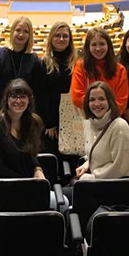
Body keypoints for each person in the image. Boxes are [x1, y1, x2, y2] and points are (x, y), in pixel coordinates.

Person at [0, 79, 46, 179]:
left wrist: (37, 169)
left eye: (22, 97)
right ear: (6, 99)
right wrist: (26, 182)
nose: (18, 101)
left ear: (29, 100)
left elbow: (32, 154)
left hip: (27, 182)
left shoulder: (34, 122)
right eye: (13, 96)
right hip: (2, 185)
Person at [35, 21, 79, 156]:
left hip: (73, 119)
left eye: (65, 36)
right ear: (51, 38)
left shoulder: (77, 62)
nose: (61, 39)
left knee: (73, 155)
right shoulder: (43, 63)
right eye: (57, 36)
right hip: (51, 123)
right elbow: (41, 94)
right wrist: (49, 123)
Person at [76, 81, 129, 180]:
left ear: (110, 101)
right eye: (92, 99)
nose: (97, 104)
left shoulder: (120, 126)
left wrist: (93, 177)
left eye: (101, 99)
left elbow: (122, 167)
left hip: (113, 185)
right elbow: (101, 156)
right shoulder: (88, 124)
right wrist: (88, 164)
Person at [0, 16, 43, 108]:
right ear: (12, 32)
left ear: (30, 35)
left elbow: (35, 91)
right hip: (0, 110)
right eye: (18, 30)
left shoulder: (33, 59)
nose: (21, 34)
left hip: (24, 110)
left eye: (26, 31)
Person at [70, 26, 129, 115]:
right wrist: (96, 115)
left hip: (112, 120)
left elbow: (121, 102)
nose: (98, 48)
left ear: (108, 45)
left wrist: (104, 117)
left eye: (102, 44)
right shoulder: (80, 66)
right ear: (88, 47)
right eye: (94, 45)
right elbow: (77, 97)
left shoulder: (120, 70)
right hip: (89, 119)